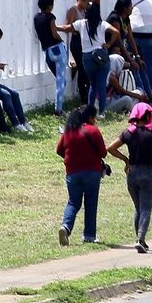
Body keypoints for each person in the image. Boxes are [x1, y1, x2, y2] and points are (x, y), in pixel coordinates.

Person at [106, 102, 152, 253]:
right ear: (147, 116)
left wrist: (126, 160)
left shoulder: (128, 133)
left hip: (132, 173)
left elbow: (110, 148)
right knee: (146, 208)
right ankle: (140, 239)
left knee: (138, 208)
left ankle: (141, 239)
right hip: (148, 173)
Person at [56, 105, 106, 246]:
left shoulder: (68, 132)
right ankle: (89, 235)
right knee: (91, 203)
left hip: (72, 173)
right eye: (94, 117)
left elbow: (59, 150)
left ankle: (65, 227)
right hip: (92, 172)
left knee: (73, 202)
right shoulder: (93, 131)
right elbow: (103, 152)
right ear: (90, 117)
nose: (95, 120)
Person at [35, 0, 75, 116]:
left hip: (47, 51)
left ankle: (59, 107)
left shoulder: (36, 17)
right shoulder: (50, 17)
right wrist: (60, 37)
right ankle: (59, 109)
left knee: (59, 80)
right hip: (57, 48)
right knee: (60, 80)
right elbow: (54, 33)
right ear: (50, 6)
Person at [77, 2, 117, 115]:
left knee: (92, 85)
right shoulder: (102, 24)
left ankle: (89, 111)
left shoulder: (81, 24)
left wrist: (55, 27)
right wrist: (108, 44)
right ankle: (102, 112)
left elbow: (67, 28)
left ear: (87, 12)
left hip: (88, 57)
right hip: (102, 56)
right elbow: (116, 32)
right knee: (101, 84)